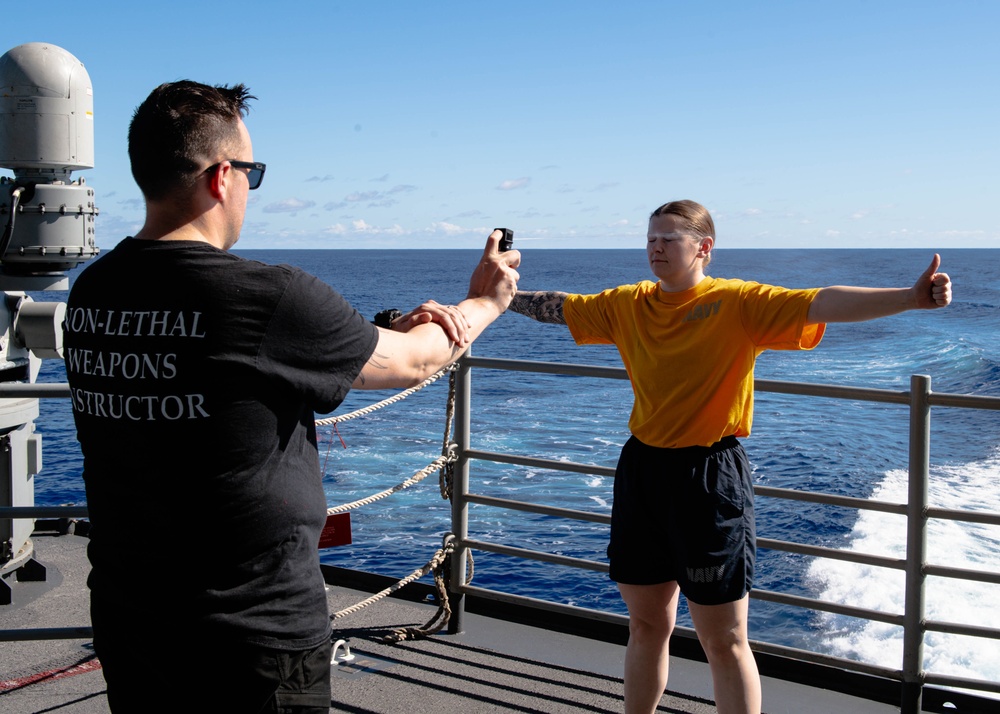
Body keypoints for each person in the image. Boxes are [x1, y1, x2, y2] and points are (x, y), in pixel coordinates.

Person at [62, 80, 520, 713]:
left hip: (132, 615)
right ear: (222, 177)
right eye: (251, 171)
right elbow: (415, 362)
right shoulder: (265, 295)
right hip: (252, 632)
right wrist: (486, 300)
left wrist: (379, 333)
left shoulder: (95, 290)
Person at [507, 199, 951, 714]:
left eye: (669, 238)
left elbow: (820, 302)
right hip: (643, 472)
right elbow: (559, 307)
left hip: (709, 477)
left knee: (725, 638)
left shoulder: (738, 302)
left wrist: (910, 297)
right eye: (651, 238)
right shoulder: (628, 303)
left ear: (704, 248)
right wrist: (494, 296)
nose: (656, 247)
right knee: (647, 624)